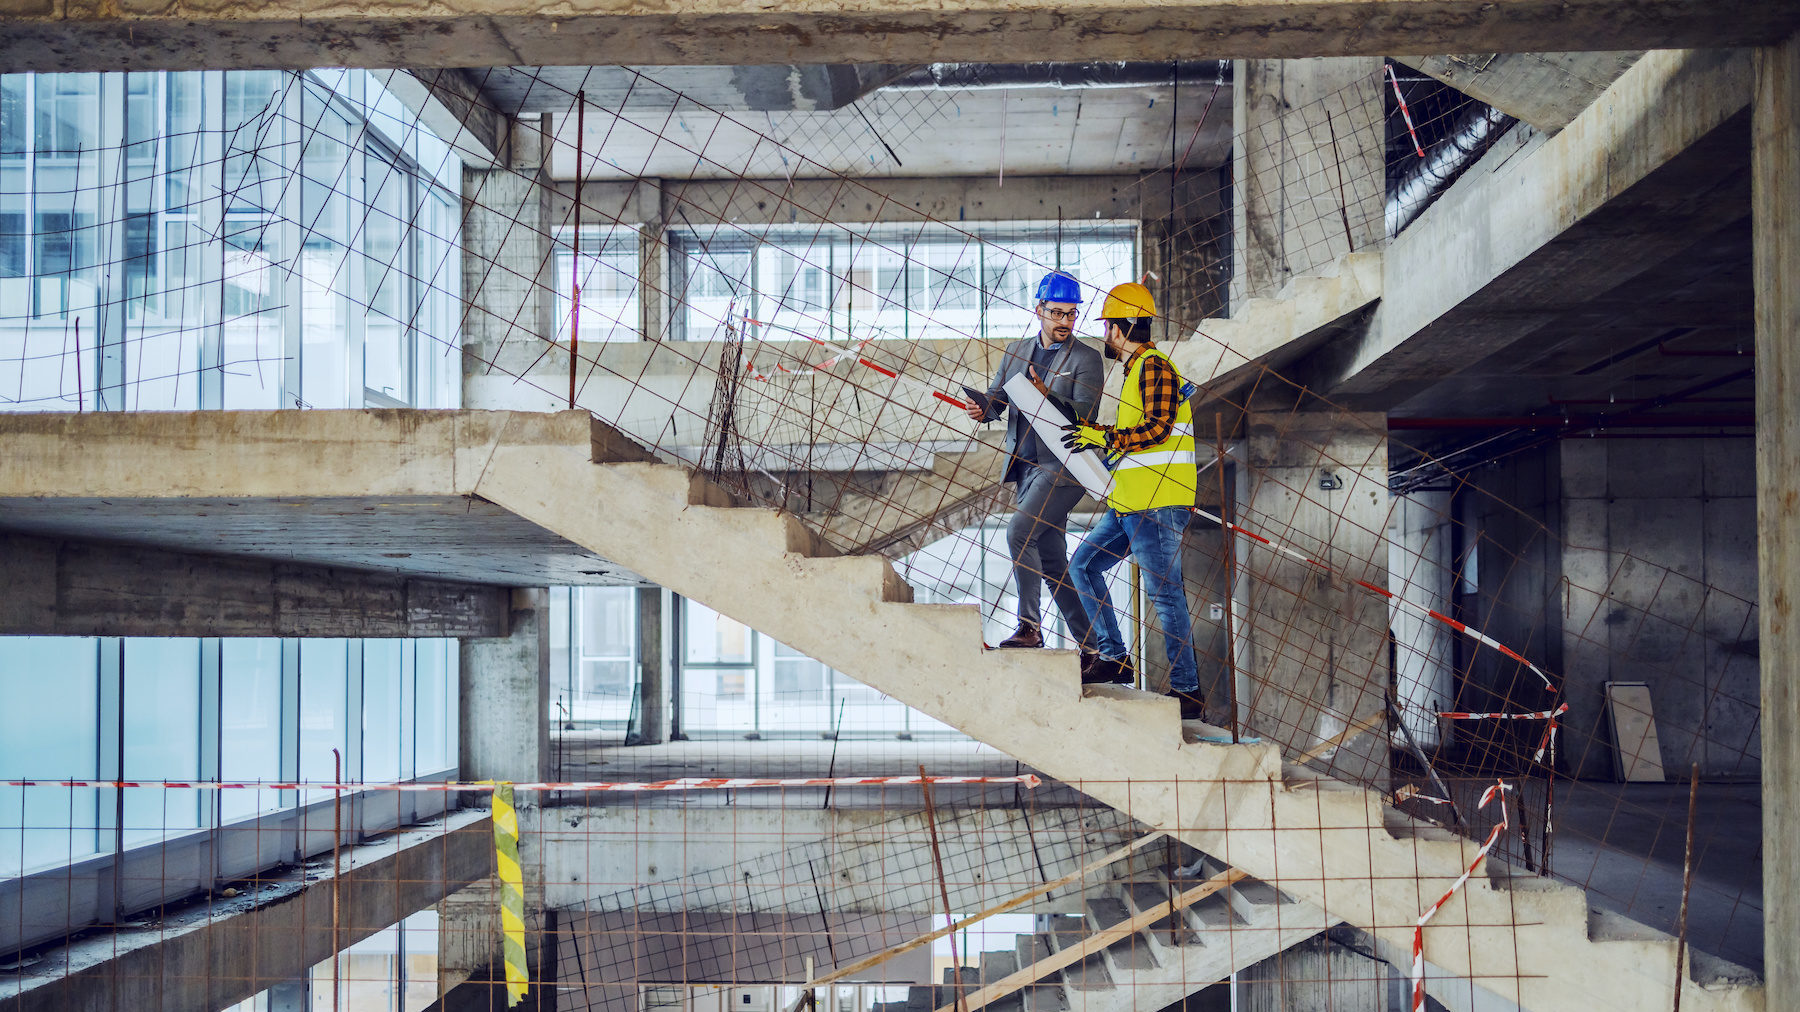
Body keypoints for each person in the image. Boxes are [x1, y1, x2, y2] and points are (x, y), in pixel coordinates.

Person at [1062, 282, 1209, 719]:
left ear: (1124, 326)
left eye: (1108, 325)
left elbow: (1159, 429)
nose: (1105, 333)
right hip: (1130, 503)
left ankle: (1188, 692)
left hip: (1158, 504)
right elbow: (1137, 437)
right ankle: (1115, 658)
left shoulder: (1153, 367)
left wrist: (1104, 436)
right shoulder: (1133, 373)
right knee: (1084, 566)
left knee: (1165, 597)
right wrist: (1104, 448)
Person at [965, 270, 1105, 666]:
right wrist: (983, 410)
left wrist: (1047, 397)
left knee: (1018, 532)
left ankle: (1029, 626)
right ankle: (1094, 647)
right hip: (1026, 468)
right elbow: (998, 399)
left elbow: (1084, 416)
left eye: (1071, 315)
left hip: (1063, 467)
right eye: (1057, 313)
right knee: (1053, 559)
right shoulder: (1015, 351)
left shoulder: (1086, 359)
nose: (1065, 321)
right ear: (1039, 309)